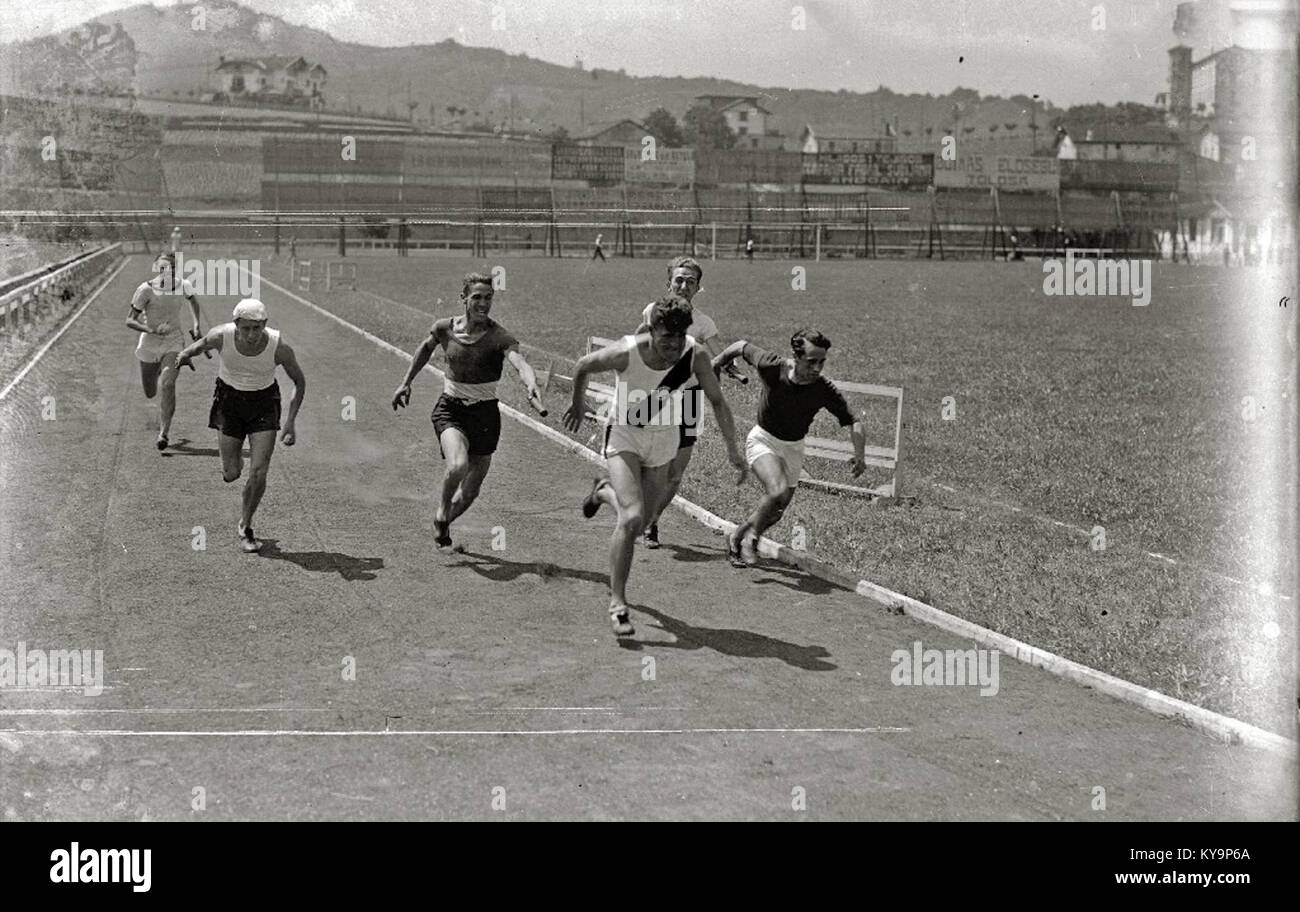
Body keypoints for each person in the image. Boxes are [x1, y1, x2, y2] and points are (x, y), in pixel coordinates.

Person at [564, 294, 745, 636]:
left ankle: (603, 492)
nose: (673, 347)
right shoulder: (627, 351)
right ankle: (618, 603)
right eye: (665, 339)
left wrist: (733, 451)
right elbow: (582, 366)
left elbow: (718, 402)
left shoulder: (695, 355)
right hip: (625, 437)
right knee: (632, 518)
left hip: (664, 440)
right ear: (650, 330)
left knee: (643, 520)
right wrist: (577, 404)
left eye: (679, 339)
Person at [392, 272, 546, 553]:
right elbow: (425, 350)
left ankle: (444, 522)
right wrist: (406, 382)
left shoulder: (499, 336)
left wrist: (531, 382)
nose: (483, 303)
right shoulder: (444, 328)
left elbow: (519, 361)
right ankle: (441, 511)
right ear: (463, 298)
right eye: (477, 297)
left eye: (488, 298)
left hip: (485, 415)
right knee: (458, 465)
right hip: (450, 409)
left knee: (471, 490)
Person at [712, 329, 867, 568]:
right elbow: (741, 345)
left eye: (822, 362)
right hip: (763, 439)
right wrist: (717, 362)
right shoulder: (772, 366)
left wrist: (859, 455)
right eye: (811, 362)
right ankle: (751, 539)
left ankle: (737, 534)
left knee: (777, 511)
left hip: (794, 447)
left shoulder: (822, 388)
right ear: (795, 357)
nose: (817, 368)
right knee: (776, 491)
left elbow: (853, 420)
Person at [632, 256, 746, 550]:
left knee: (675, 474)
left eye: (690, 281)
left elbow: (720, 354)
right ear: (668, 282)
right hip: (658, 395)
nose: (683, 286)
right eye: (679, 279)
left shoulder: (704, 323)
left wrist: (729, 366)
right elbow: (636, 348)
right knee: (649, 464)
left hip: (689, 401)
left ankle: (652, 520)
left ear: (698, 288)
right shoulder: (652, 312)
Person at [176, 298, 306, 553]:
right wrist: (183, 355)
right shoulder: (221, 336)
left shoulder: (279, 348)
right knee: (232, 473)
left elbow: (300, 382)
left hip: (264, 403)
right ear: (236, 325)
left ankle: (246, 525)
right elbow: (200, 345)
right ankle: (235, 465)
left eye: (257, 328)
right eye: (245, 328)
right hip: (229, 402)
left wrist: (290, 422)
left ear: (265, 325)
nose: (251, 335)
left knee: (259, 472)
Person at [125, 252, 204, 450]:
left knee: (168, 385)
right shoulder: (145, 289)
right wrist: (151, 329)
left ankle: (164, 433)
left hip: (174, 341)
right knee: (151, 392)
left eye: (171, 268)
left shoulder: (183, 285)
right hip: (150, 343)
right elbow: (130, 320)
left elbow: (193, 301)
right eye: (162, 268)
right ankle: (159, 369)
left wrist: (196, 325)